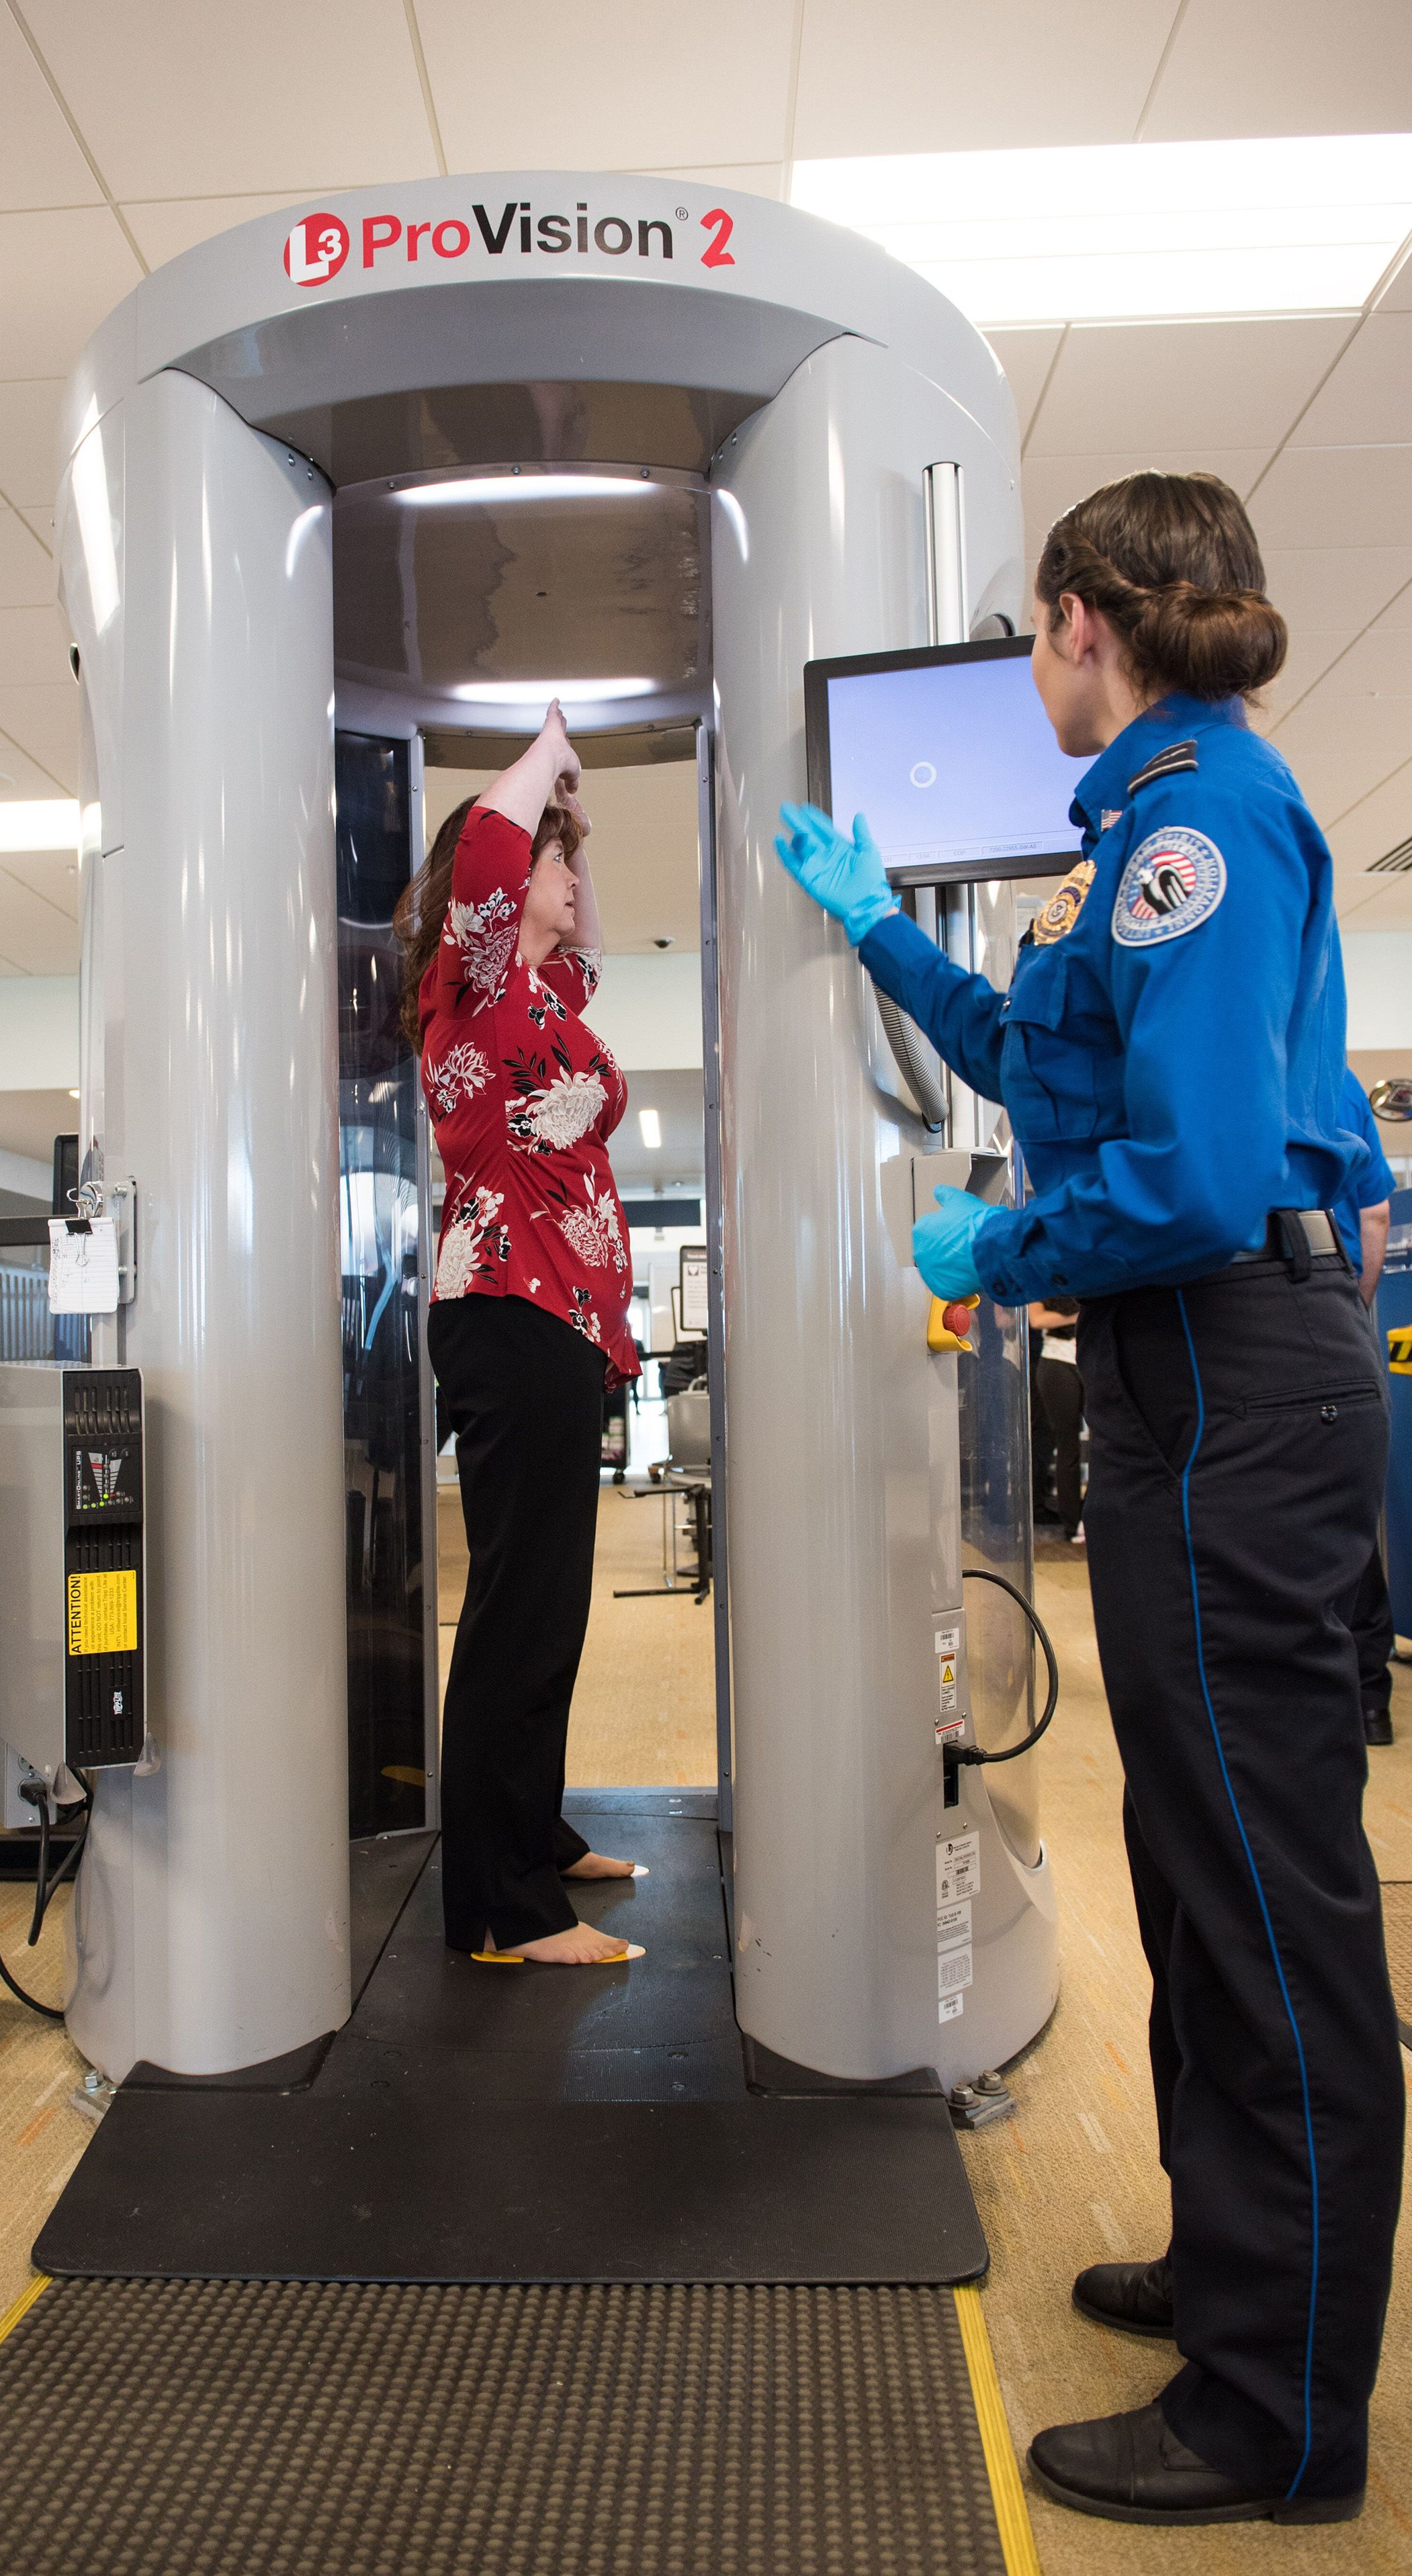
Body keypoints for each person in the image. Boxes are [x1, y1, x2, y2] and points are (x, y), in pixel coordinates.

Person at [777, 471, 1400, 2527]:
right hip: (1178, 1392)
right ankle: (1239, 2276)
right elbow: (1057, 1079)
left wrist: (997, 1254)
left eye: (1026, 638)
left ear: (1073, 623)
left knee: (1267, 1906)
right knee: (1195, 1869)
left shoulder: (1196, 827)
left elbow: (1198, 1180)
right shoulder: (1127, 834)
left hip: (1224, 1375)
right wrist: (875, 933)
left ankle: (1273, 2415)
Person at [395, 702, 645, 1967]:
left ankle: (530, 1832)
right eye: (555, 856)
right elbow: (495, 852)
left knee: (550, 1607)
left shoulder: (552, 991)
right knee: (516, 1610)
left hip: (559, 1321)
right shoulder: (476, 982)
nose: (565, 872)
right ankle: (503, 1909)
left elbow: (579, 930)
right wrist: (549, 750)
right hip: (507, 1311)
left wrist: (573, 826)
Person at [1331, 1067, 1399, 1744]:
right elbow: (1375, 1209)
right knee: (1349, 1527)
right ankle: (1369, 1701)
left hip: (1244, 1313)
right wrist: (1352, 1305)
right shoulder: (1342, 1082)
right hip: (1337, 1313)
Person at [1026, 1295, 1084, 1541]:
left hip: (1093, 1357)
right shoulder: (1043, 1275)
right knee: (1067, 1446)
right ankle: (1073, 1523)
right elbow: (1037, 1319)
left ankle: (1092, 1515)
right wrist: (1080, 1315)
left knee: (1108, 1443)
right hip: (1057, 1363)